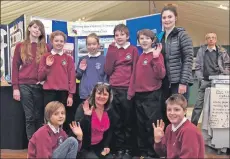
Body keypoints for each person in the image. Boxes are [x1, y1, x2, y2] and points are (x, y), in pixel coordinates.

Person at [104, 24, 138, 158]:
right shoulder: (112, 50)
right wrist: (111, 51)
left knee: (128, 121)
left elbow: (136, 72)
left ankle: (128, 149)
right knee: (116, 121)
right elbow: (107, 70)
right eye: (116, 35)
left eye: (122, 34)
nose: (119, 37)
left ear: (127, 36)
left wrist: (131, 90)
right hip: (113, 89)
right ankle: (119, 149)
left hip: (127, 90)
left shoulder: (133, 50)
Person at [12, 20, 49, 140]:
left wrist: (44, 80)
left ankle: (40, 144)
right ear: (29, 28)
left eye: (39, 28)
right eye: (34, 27)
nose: (36, 30)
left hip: (39, 86)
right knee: (29, 117)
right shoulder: (20, 46)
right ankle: (32, 145)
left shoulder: (45, 47)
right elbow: (15, 68)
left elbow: (49, 67)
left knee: (39, 117)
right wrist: (15, 88)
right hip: (24, 85)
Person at [160, 4, 194, 127]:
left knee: (178, 116)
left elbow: (188, 59)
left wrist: (183, 82)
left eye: (170, 17)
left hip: (179, 83)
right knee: (167, 114)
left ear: (176, 18)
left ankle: (181, 143)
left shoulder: (182, 35)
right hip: (165, 83)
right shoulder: (161, 38)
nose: (167, 20)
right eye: (164, 17)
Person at [134, 29, 166, 158]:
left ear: (152, 40)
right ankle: (144, 152)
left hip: (152, 96)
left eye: (147, 38)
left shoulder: (157, 55)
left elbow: (161, 74)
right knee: (141, 126)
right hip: (139, 96)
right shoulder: (140, 56)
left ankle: (153, 154)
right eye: (141, 38)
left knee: (151, 126)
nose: (144, 41)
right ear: (138, 41)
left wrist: (156, 57)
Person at [38, 30, 76, 133]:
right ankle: (48, 141)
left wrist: (71, 95)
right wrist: (47, 65)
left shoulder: (68, 59)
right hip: (49, 93)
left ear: (64, 43)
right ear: (51, 41)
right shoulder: (45, 57)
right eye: (56, 41)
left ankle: (61, 141)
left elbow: (71, 78)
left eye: (61, 41)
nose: (59, 43)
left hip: (63, 93)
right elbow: (40, 77)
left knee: (62, 118)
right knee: (49, 118)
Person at [191, 32, 230, 126]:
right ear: (206, 40)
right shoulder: (201, 51)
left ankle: (215, 125)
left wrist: (224, 75)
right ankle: (192, 126)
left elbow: (228, 65)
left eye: (213, 37)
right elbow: (198, 66)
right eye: (208, 38)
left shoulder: (222, 51)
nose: (211, 39)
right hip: (205, 81)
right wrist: (201, 78)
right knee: (198, 105)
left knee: (216, 105)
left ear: (216, 40)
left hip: (218, 82)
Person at [153, 94, 205, 158]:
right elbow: (163, 153)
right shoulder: (169, 128)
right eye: (169, 110)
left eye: (176, 110)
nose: (172, 113)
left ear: (185, 111)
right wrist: (158, 140)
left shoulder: (189, 131)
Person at [75, 83, 114, 159]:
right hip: (84, 147)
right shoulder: (84, 106)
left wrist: (106, 145)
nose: (102, 97)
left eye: (105, 94)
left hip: (99, 146)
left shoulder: (109, 109)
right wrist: (87, 116)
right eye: (99, 93)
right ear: (94, 94)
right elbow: (76, 129)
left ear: (109, 97)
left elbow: (110, 130)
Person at [76, 33, 107, 104]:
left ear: (98, 45)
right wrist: (81, 69)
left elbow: (106, 77)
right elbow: (78, 77)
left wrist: (103, 91)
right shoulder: (83, 59)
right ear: (86, 46)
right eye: (89, 44)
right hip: (85, 94)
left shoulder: (104, 59)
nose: (91, 46)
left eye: (94, 44)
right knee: (86, 114)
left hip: (99, 94)